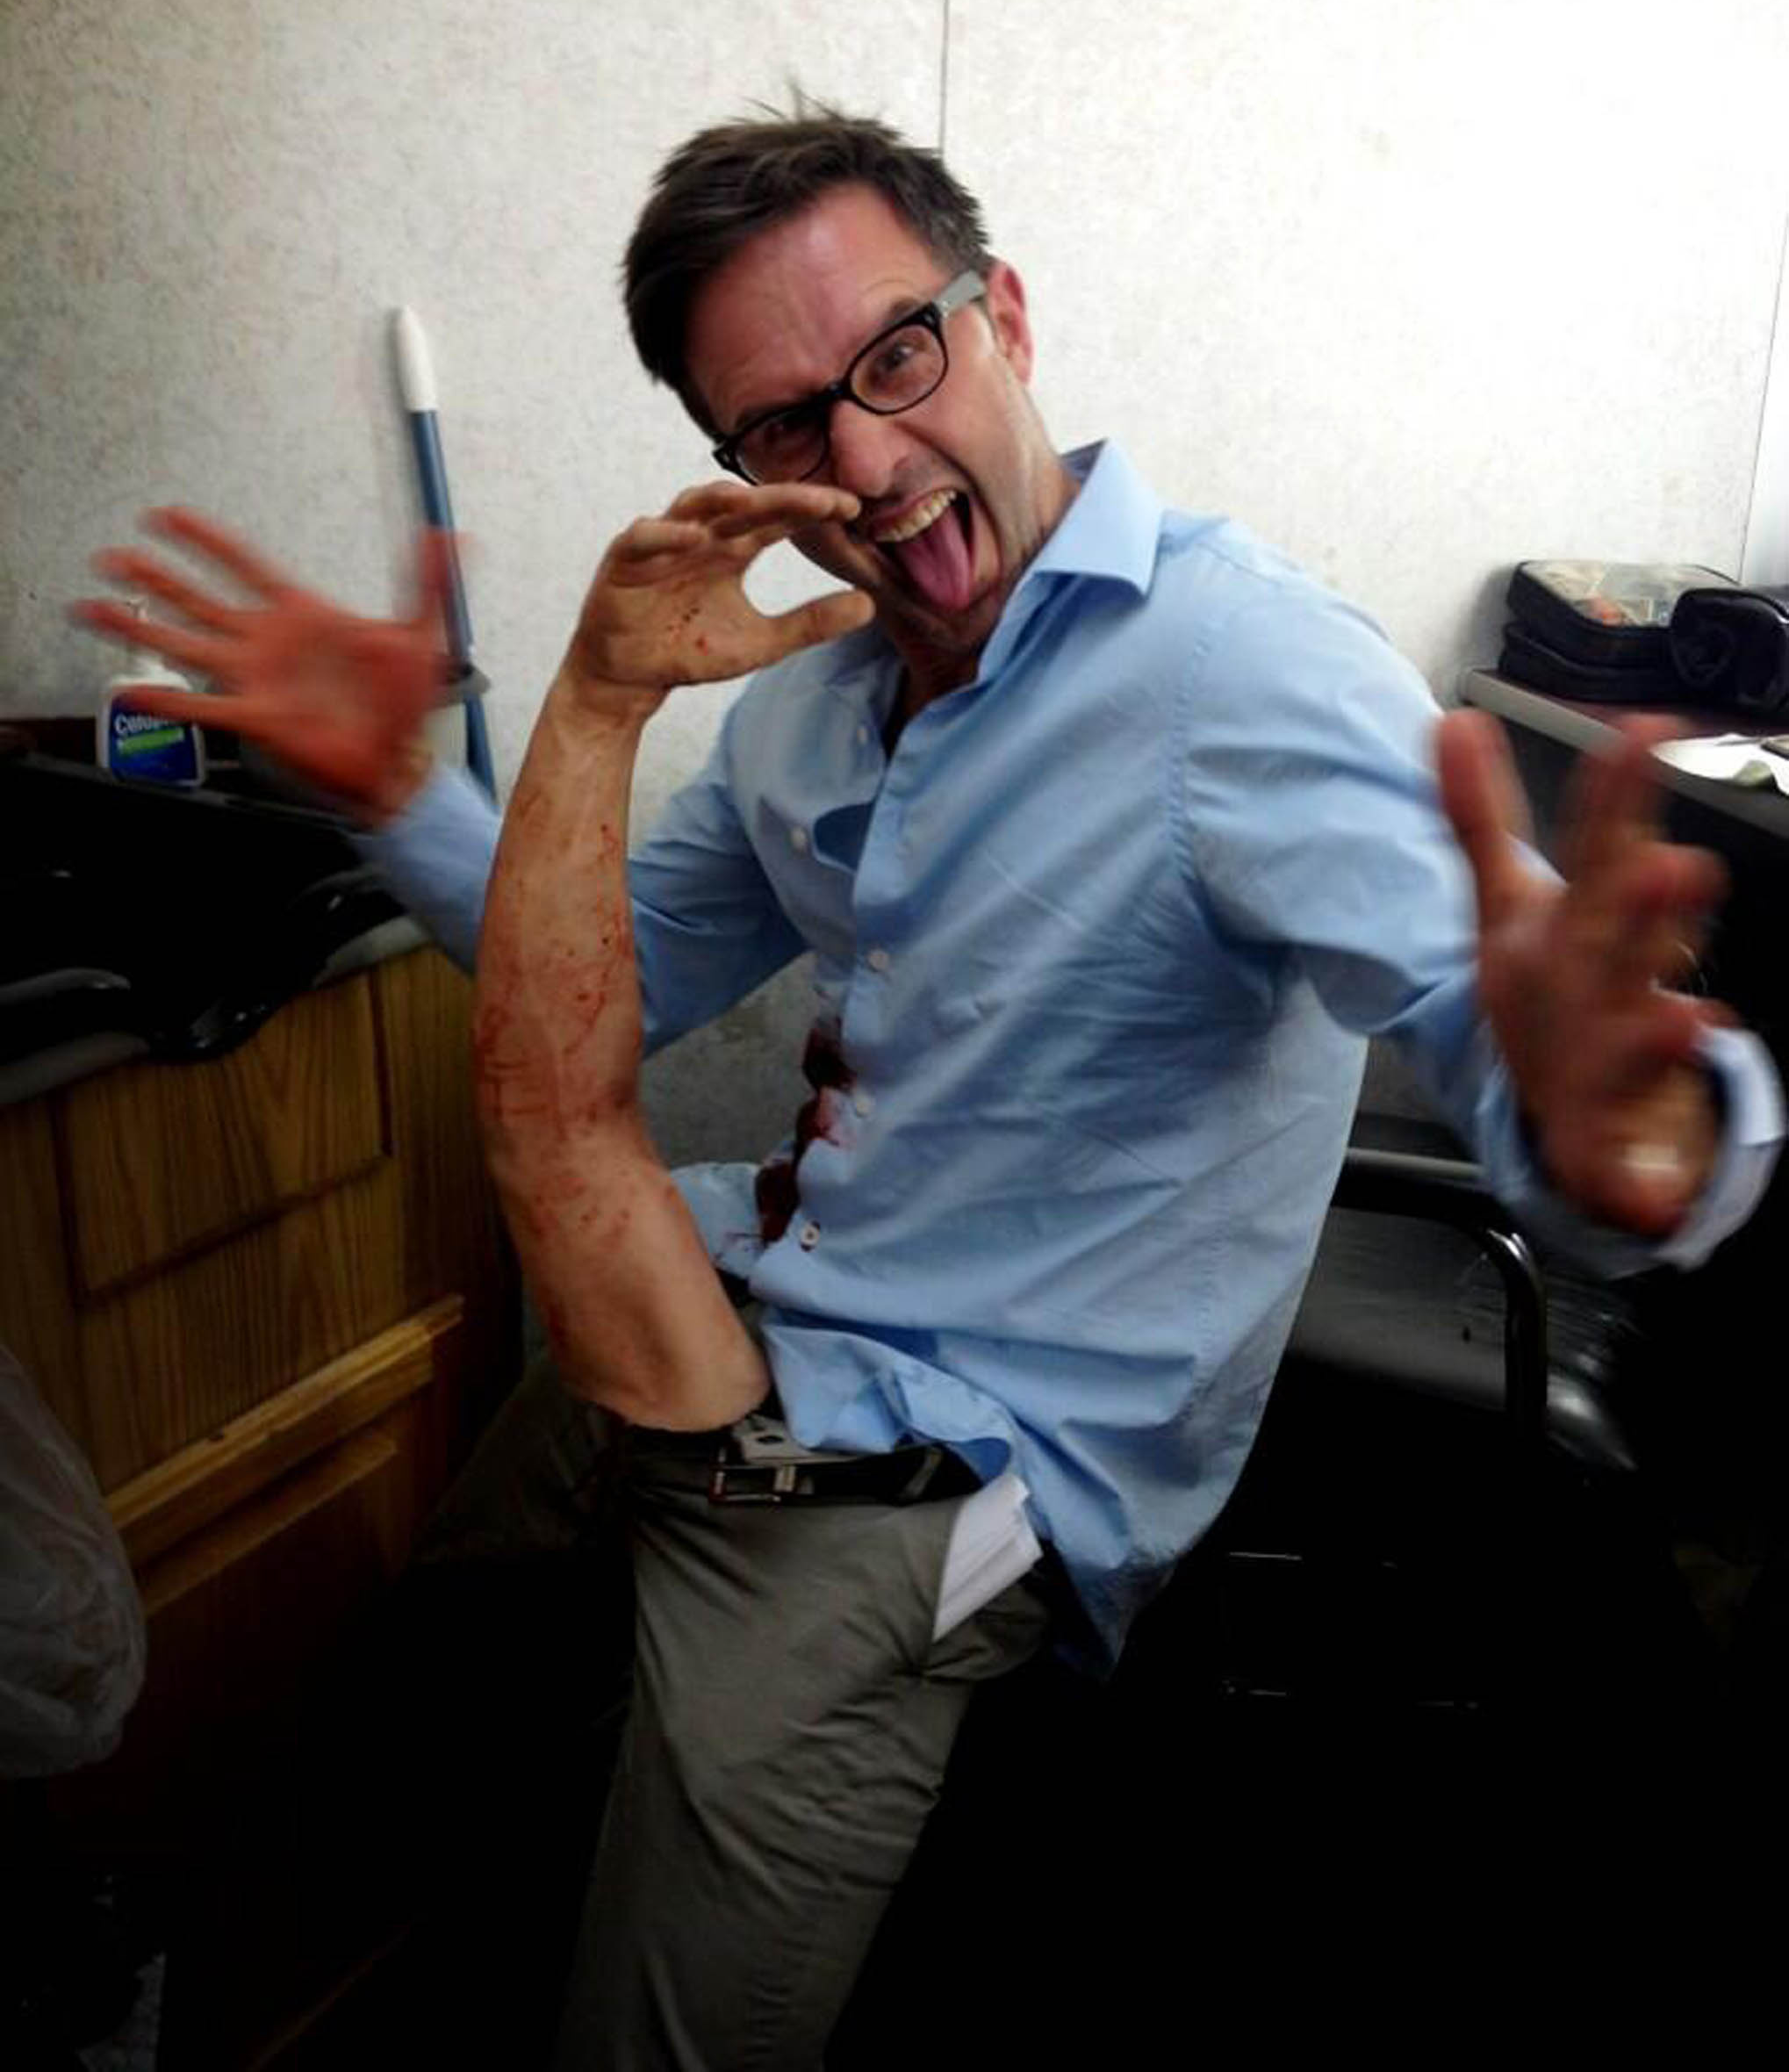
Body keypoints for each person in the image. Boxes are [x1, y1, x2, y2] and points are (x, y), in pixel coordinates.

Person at [73, 109, 1783, 2067]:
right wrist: (398, 789)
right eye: (785, 425)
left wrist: (1623, 1129)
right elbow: (608, 983)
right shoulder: (804, 704)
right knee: (431, 1700)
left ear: (1005, 320)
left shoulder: (1238, 670)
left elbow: (1510, 1022)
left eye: (896, 354)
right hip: (729, 1306)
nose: (871, 462)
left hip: (942, 1484)